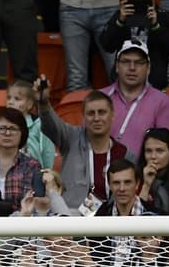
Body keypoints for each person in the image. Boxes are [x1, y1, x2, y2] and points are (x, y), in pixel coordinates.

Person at [38, 83, 135, 212]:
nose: (96, 118)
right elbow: (51, 126)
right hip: (71, 218)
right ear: (83, 117)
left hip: (110, 222)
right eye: (91, 113)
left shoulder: (124, 153)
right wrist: (43, 103)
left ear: (112, 116)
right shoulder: (71, 138)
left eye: (102, 113)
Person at [98, 0, 169, 90]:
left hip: (155, 85)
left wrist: (156, 26)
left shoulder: (164, 17)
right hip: (122, 86)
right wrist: (120, 22)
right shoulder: (121, 15)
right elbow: (107, 45)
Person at [102, 41, 169, 158]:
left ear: (148, 68)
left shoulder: (164, 102)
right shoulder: (100, 98)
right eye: (126, 62)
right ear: (116, 66)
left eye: (138, 63)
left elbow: (164, 151)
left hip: (142, 172)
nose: (132, 68)